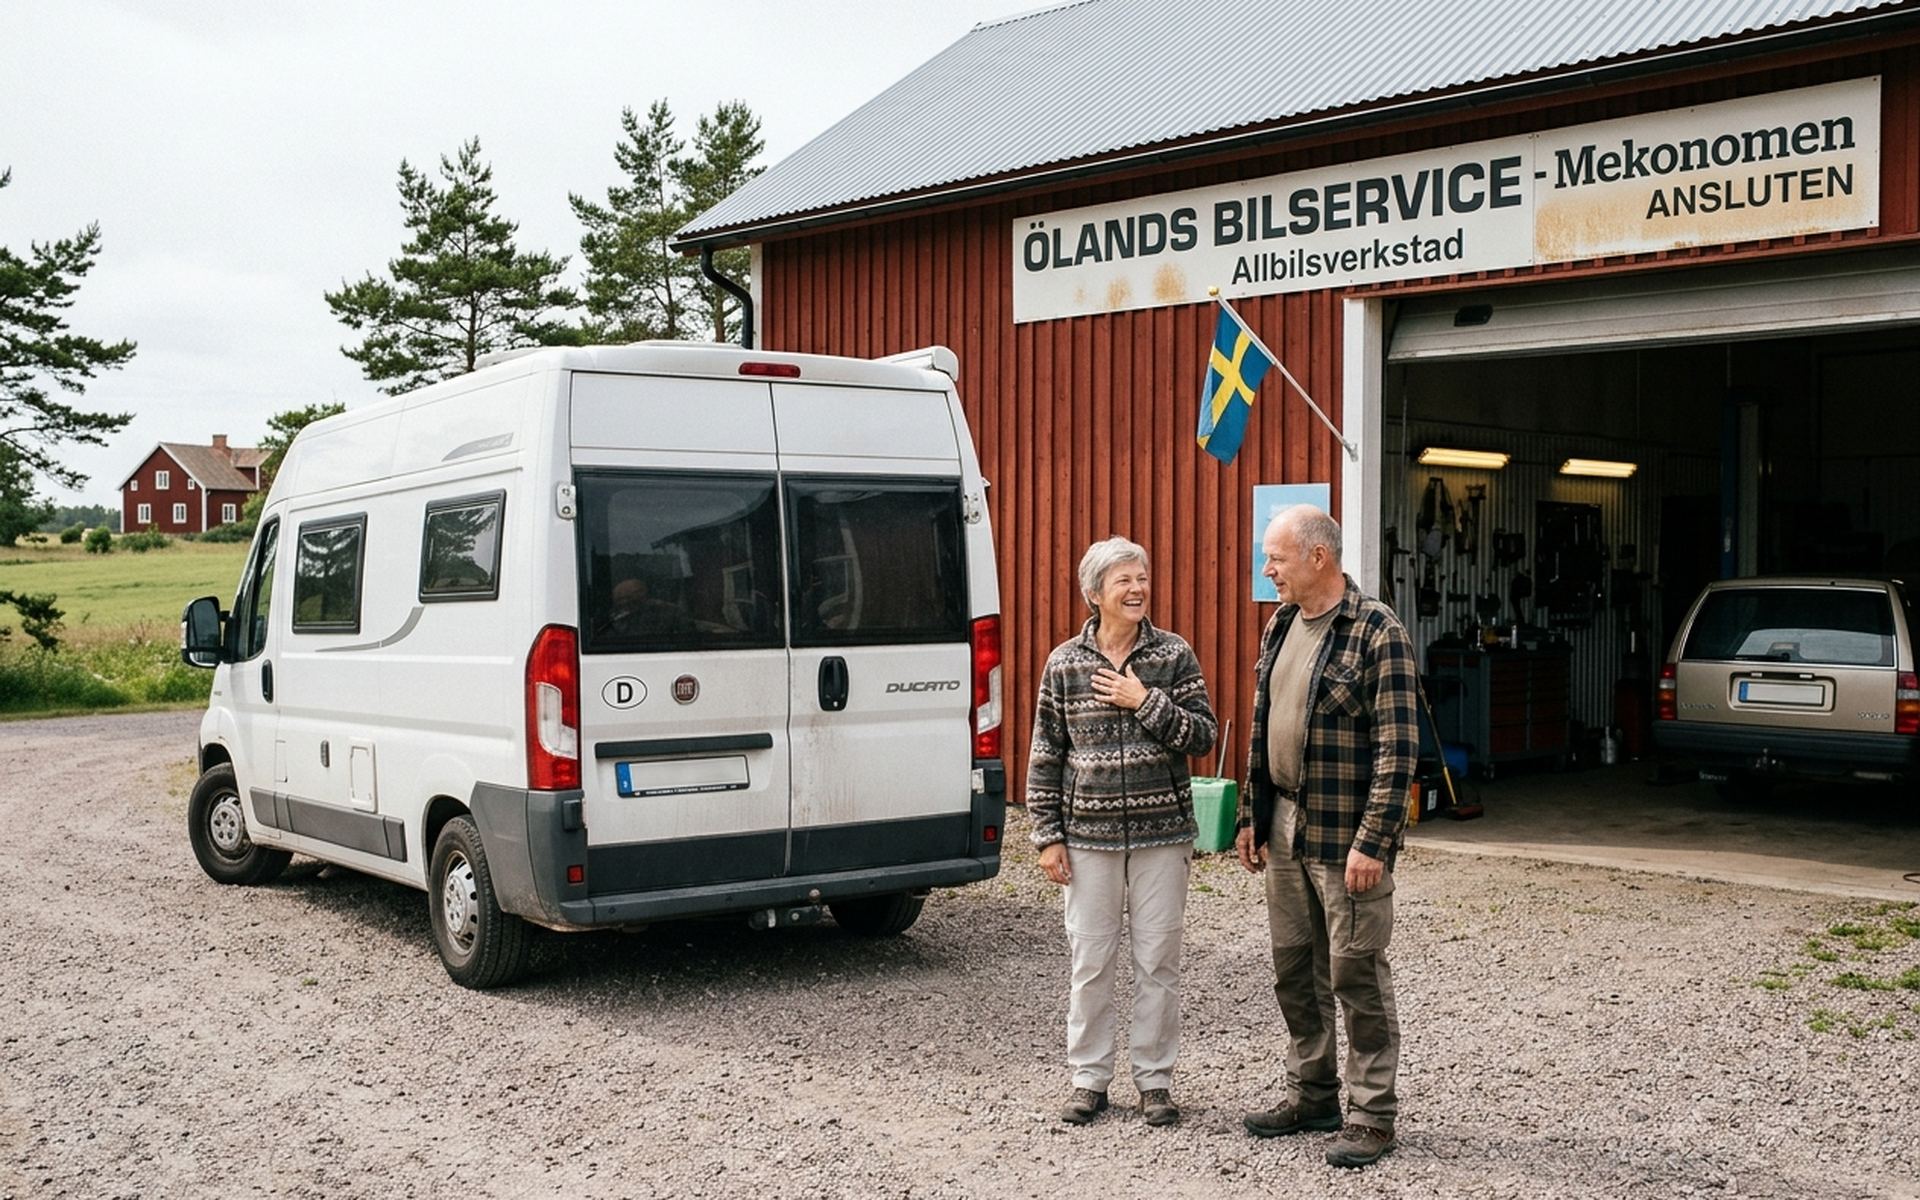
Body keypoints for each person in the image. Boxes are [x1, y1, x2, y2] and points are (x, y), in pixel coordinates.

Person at [1234, 505, 1418, 1168]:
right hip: (1282, 822)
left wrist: (1374, 841)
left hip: (1345, 836)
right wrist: (1251, 815)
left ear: (1318, 557)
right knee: (1294, 970)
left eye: (1276, 557)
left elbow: (1399, 749)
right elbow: (1264, 725)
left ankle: (1372, 1116)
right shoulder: (1282, 624)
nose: (1267, 569)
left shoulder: (1377, 632)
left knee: (1355, 972)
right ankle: (1312, 1093)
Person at [1027, 536, 1218, 1128]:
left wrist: (1144, 700)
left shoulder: (1173, 655)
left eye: (1142, 577)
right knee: (1091, 961)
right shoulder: (1065, 664)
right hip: (1087, 839)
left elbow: (1203, 736)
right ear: (1094, 594)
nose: (1137, 589)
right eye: (1124, 581)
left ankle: (1155, 1083)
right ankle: (1089, 1080)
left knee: (1158, 960)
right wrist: (1046, 835)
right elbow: (1045, 755)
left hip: (1164, 835)